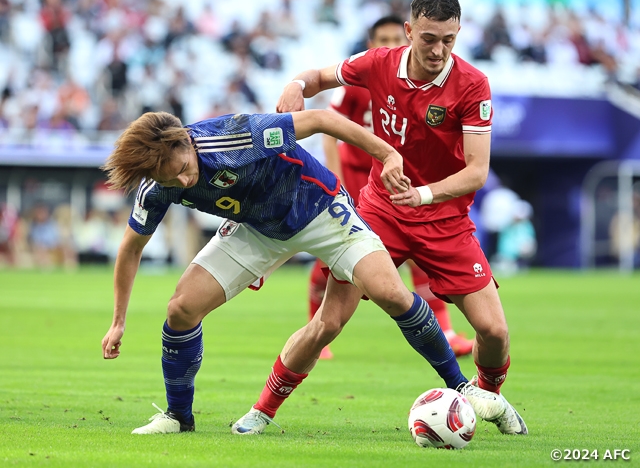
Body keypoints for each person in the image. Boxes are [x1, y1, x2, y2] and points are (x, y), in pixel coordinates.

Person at [235, 0, 527, 436]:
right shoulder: (377, 63)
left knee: (496, 331)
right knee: (328, 322)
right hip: (379, 215)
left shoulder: (472, 85)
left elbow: (477, 171)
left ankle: (490, 396)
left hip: (445, 220)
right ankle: (262, 410)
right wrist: (294, 87)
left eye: (448, 40)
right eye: (429, 38)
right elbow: (316, 77)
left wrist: (425, 195)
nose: (438, 50)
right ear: (409, 32)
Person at [101, 109, 503, 435]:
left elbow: (321, 120)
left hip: (321, 210)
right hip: (258, 229)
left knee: (391, 293)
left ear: (186, 141)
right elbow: (131, 248)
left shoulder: (238, 136)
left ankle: (459, 384)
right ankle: (178, 416)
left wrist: (387, 155)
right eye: (170, 179)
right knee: (181, 309)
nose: (184, 180)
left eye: (184, 168)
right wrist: (118, 321)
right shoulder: (157, 184)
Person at [309, 14, 473, 360]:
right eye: (381, 39)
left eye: (394, 38)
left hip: (400, 180)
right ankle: (317, 331)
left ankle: (445, 331)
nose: (389, 45)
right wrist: (338, 183)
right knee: (335, 256)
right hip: (359, 177)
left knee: (419, 258)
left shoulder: (425, 83)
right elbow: (329, 128)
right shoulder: (358, 83)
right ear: (371, 45)